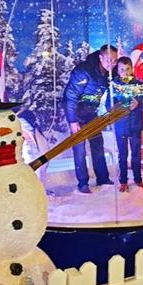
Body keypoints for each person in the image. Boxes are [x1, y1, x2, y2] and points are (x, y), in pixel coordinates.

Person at [62, 44, 118, 194]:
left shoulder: (108, 73)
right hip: (77, 112)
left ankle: (103, 178)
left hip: (91, 112)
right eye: (108, 60)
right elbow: (70, 97)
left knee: (97, 143)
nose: (111, 63)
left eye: (114, 60)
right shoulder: (83, 71)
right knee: (79, 149)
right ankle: (82, 183)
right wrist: (73, 121)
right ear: (100, 57)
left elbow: (122, 82)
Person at [112, 57, 143, 192]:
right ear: (117, 70)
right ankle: (123, 181)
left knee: (136, 154)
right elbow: (108, 106)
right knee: (122, 155)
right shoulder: (114, 87)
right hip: (121, 127)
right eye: (122, 69)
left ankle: (138, 180)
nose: (125, 72)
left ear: (132, 69)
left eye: (128, 69)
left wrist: (138, 104)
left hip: (135, 126)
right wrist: (120, 107)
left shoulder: (139, 85)